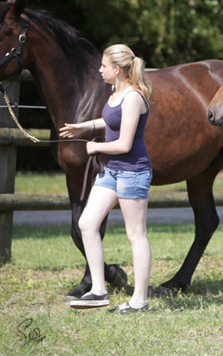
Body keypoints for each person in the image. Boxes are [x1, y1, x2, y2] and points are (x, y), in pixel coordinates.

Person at [59, 44, 153, 314]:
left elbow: (124, 143)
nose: (99, 70)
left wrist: (96, 147)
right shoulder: (116, 91)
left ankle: (140, 300)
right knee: (87, 224)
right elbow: (110, 120)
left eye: (103, 66)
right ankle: (99, 290)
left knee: (136, 235)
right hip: (111, 171)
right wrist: (84, 127)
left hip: (133, 171)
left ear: (118, 69)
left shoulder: (134, 96)